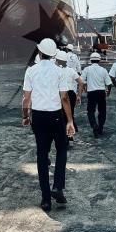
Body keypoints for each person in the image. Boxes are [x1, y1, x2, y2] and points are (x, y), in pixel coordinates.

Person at [22, 38, 76, 212]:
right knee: (61, 150)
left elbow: (26, 98)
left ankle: (46, 199)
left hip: (38, 117)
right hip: (56, 116)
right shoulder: (59, 72)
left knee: (42, 155)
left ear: (39, 52)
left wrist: (26, 116)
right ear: (53, 55)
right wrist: (70, 121)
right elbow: (64, 98)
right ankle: (58, 186)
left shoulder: (31, 71)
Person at [81, 52, 112, 138]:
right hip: (101, 92)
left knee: (90, 111)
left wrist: (84, 88)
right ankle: (100, 127)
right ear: (99, 60)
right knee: (102, 111)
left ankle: (94, 125)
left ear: (90, 60)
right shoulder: (103, 70)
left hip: (91, 92)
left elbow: (81, 81)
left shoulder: (87, 69)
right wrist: (108, 92)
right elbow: (109, 83)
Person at [55, 50, 82, 136]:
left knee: (61, 114)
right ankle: (70, 132)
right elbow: (81, 82)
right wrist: (79, 95)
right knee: (70, 113)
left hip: (60, 94)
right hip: (71, 94)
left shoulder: (55, 71)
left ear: (57, 60)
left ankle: (64, 133)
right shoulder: (71, 70)